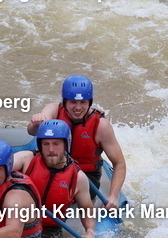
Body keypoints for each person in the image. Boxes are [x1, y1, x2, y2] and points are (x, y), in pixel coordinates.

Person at [28, 75, 126, 209]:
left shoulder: (101, 126)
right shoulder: (54, 110)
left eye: (83, 102)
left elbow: (119, 163)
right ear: (65, 101)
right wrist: (36, 123)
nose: (78, 108)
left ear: (89, 102)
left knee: (56, 190)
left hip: (85, 176)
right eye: (73, 102)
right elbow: (32, 132)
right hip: (53, 166)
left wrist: (113, 196)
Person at [12, 120, 97, 238]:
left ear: (65, 145)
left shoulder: (78, 177)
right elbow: (0, 167)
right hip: (16, 222)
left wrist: (90, 232)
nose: (51, 150)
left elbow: (87, 209)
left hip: (49, 232)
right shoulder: (26, 159)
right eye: (46, 144)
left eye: (56, 144)